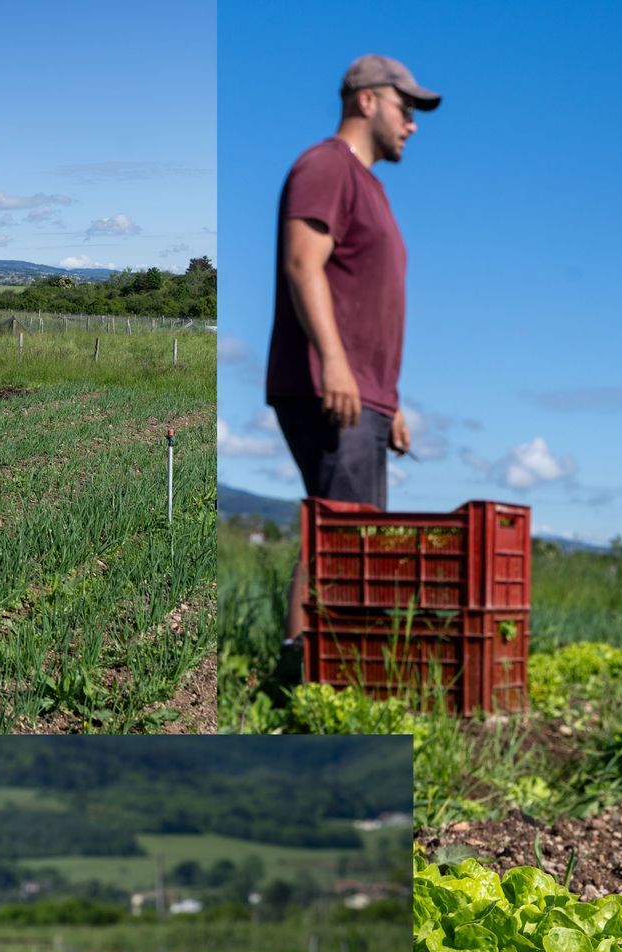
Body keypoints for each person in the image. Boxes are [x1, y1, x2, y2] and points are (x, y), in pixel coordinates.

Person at [265, 53, 439, 661]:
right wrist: (335, 363)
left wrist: (387, 402)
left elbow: (367, 296)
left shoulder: (370, 185)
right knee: (338, 532)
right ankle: (301, 670)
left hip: (363, 392)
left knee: (355, 531)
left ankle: (333, 664)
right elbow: (301, 264)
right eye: (406, 107)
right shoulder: (326, 166)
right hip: (328, 383)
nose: (413, 123)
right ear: (367, 100)